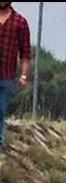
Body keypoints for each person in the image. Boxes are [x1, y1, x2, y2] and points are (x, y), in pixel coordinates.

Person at [0, 2, 29, 151]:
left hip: (7, 74)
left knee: (1, 109)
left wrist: (23, 76)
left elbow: (25, 53)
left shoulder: (20, 22)